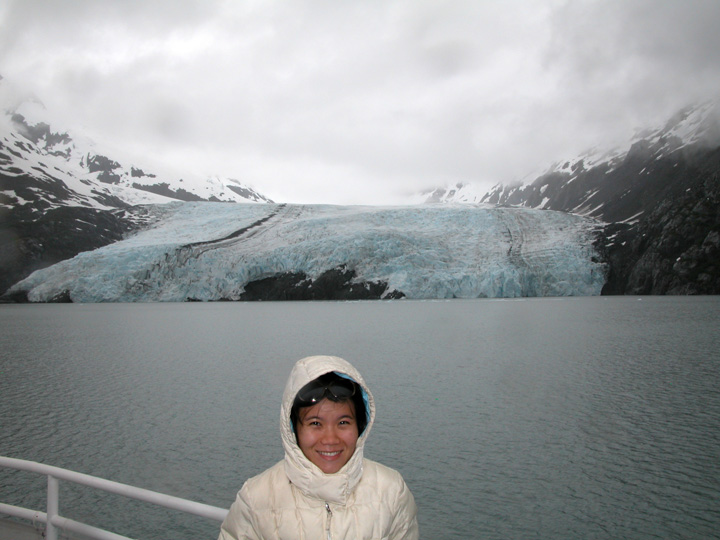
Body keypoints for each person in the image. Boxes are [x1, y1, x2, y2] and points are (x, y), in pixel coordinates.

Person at [218, 355, 419, 540]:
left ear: (360, 426)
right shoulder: (256, 499)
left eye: (343, 423)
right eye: (315, 423)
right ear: (293, 430)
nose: (330, 439)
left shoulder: (392, 492)